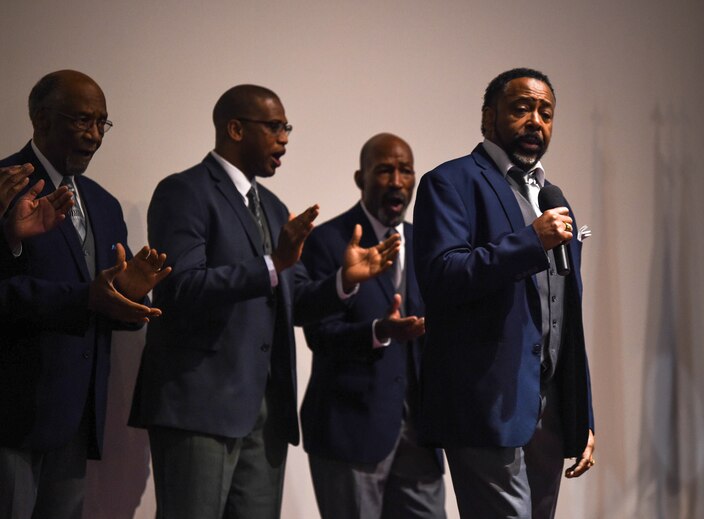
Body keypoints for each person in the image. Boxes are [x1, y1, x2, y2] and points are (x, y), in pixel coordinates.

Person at [129, 85, 400, 519]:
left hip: (266, 411)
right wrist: (272, 263)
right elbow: (180, 288)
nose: (285, 138)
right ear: (235, 128)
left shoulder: (274, 208)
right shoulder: (184, 192)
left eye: (286, 127)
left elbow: (291, 304)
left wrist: (344, 281)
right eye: (275, 127)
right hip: (200, 407)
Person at [412, 68, 596, 519]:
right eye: (522, 108)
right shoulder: (451, 182)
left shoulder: (554, 198)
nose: (536, 120)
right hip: (484, 403)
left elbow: (566, 317)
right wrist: (530, 241)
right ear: (488, 117)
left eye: (546, 113)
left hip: (549, 407)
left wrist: (582, 415)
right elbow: (441, 276)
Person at [0, 69, 170, 519]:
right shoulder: (3, 185)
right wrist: (87, 297)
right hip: (11, 416)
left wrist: (132, 299)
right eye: (82, 121)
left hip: (76, 418)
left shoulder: (103, 203)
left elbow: (111, 298)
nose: (95, 135)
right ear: (40, 120)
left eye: (102, 123)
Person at [300, 133, 446, 519]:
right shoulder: (327, 241)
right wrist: (379, 331)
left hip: (420, 434)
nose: (397, 181)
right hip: (350, 432)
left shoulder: (427, 243)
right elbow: (319, 334)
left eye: (405, 171)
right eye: (384, 170)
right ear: (359, 178)